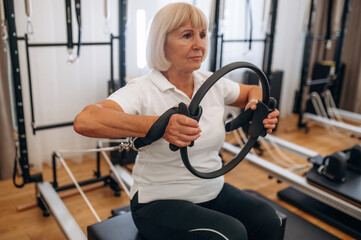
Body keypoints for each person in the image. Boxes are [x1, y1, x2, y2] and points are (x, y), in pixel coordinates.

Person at [74, 2, 280, 240]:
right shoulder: (143, 89)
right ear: (162, 43)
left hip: (213, 190)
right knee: (230, 235)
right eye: (187, 35)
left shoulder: (212, 82)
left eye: (202, 35)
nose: (199, 44)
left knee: (268, 219)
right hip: (159, 201)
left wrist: (256, 107)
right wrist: (161, 125)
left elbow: (253, 90)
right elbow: (86, 120)